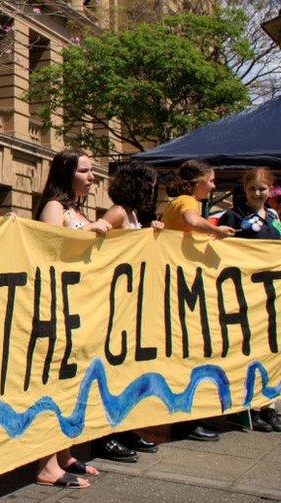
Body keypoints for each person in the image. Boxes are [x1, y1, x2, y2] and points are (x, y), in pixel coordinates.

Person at [32, 149, 109, 489]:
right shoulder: (54, 208)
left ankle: (64, 453)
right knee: (52, 383)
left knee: (71, 384)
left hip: (78, 306)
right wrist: (88, 231)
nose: (92, 177)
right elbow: (47, 251)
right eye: (85, 171)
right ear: (67, 173)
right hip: (55, 306)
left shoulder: (77, 210)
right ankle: (46, 463)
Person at [160, 160, 235, 443]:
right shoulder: (186, 201)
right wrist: (216, 231)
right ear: (198, 181)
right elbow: (192, 222)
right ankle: (185, 421)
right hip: (183, 289)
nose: (214, 185)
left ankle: (186, 418)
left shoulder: (181, 201)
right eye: (211, 180)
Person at [99, 160, 163, 457]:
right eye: (149, 186)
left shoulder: (135, 214)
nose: (152, 192)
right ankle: (105, 435)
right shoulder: (118, 212)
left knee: (128, 373)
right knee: (112, 375)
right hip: (115, 304)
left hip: (132, 302)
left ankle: (126, 428)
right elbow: (93, 241)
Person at [215, 168, 281, 433]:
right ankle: (245, 407)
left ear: (270, 190)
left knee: (271, 349)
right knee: (246, 351)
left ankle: (269, 406)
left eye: (262, 189)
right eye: (252, 189)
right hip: (243, 296)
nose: (257, 193)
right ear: (244, 189)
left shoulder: (275, 217)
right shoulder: (233, 216)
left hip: (270, 294)